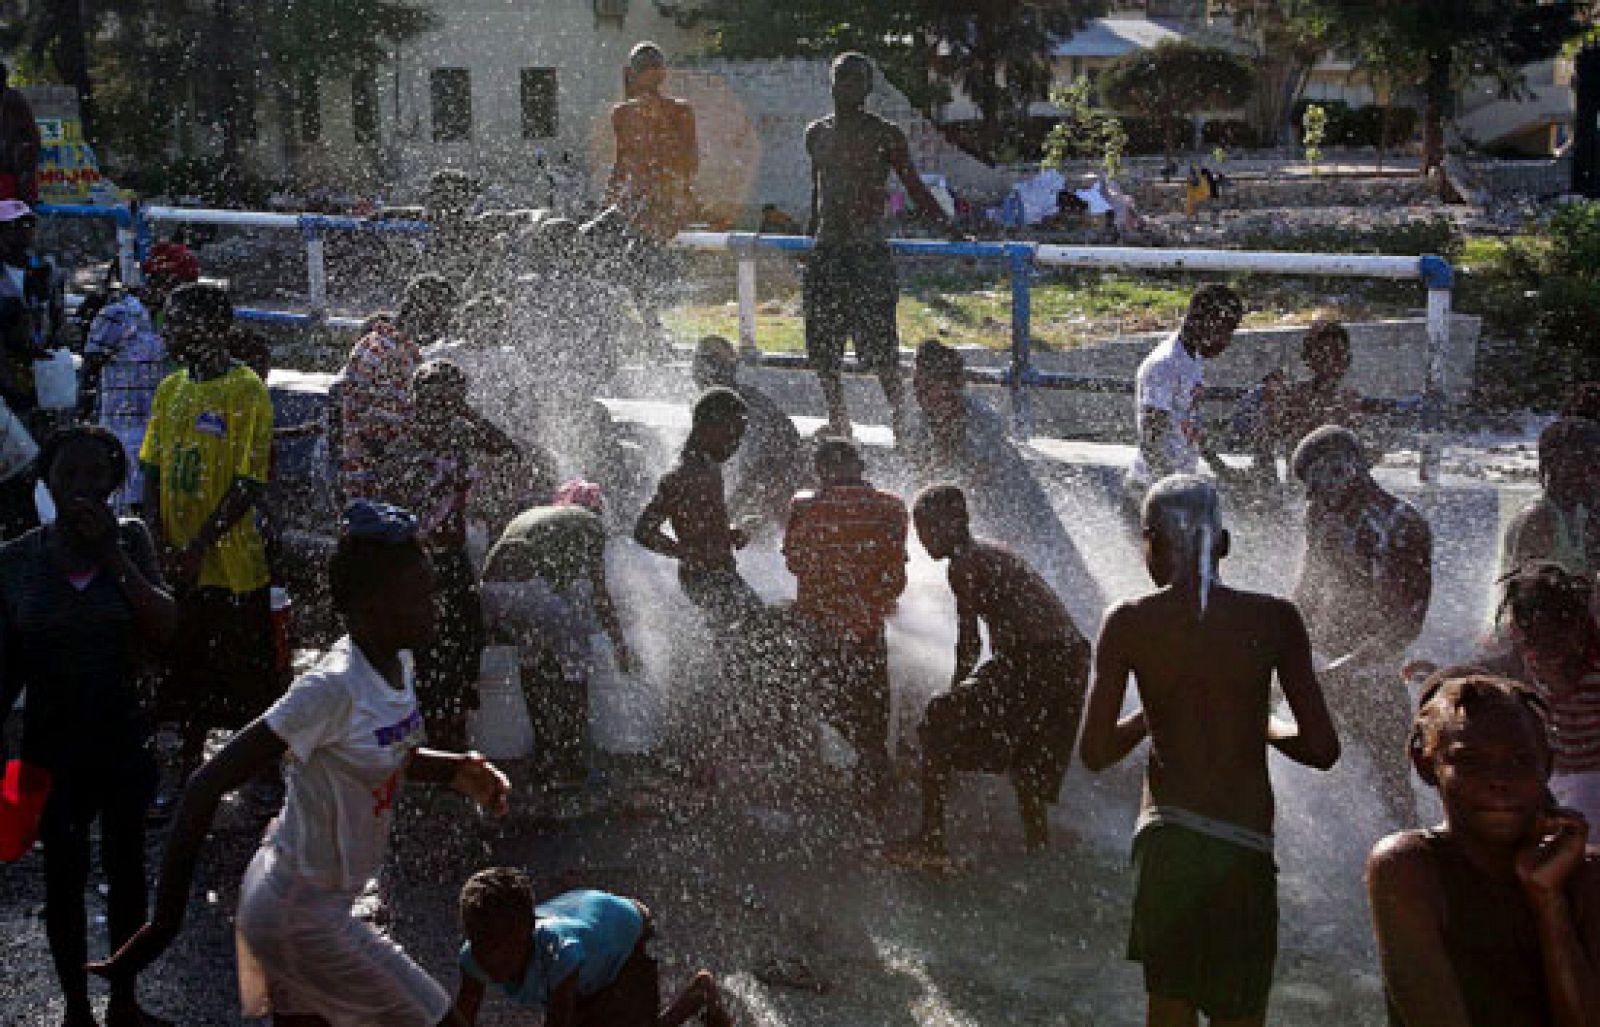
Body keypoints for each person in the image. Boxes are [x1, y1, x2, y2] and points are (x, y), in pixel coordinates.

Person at [90, 501, 512, 1026]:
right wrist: (163, 924)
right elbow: (205, 784)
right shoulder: (329, 687)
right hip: (301, 914)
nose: (436, 604)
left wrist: (454, 769)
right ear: (372, 605)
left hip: (296, 900)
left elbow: (379, 752)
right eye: (419, 593)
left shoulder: (398, 663)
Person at [1080, 475, 1340, 1027]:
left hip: (1167, 842)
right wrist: (1264, 726)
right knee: (1239, 1014)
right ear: (1223, 543)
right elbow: (1321, 749)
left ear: (1150, 541)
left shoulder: (1127, 622)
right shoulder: (1275, 618)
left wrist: (1153, 715)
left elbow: (1096, 752)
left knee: (1168, 1010)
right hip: (1241, 845)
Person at [0, 426, 177, 1027]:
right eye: (67, 477)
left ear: (113, 484)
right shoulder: (18, 560)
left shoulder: (130, 540)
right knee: (62, 879)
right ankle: (76, 1009)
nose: (81, 489)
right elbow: (3, 668)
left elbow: (167, 625)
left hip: (123, 738)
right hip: (49, 746)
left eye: (94, 478)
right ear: (47, 484)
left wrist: (112, 556)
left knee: (128, 873)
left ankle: (124, 1001)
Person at [1366, 668, 1600, 1025]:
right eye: (1469, 761)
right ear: (1427, 765)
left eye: (1521, 761)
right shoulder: (1408, 867)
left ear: (1547, 767)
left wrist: (1548, 901)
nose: (1499, 781)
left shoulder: (1585, 873)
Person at [891, 484, 1090, 865]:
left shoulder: (964, 563)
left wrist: (952, 697)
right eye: (919, 528)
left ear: (959, 522)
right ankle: (1038, 848)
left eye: (930, 527)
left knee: (937, 720)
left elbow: (969, 645)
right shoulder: (992, 552)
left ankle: (931, 839)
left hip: (1039, 658)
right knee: (1027, 762)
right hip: (1072, 659)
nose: (923, 537)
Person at [138, 282, 277, 783]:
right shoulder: (171, 389)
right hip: (178, 561)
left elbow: (248, 482)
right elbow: (151, 467)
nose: (168, 331)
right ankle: (187, 774)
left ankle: (262, 779)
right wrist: (159, 539)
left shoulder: (245, 390)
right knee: (185, 669)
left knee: (248, 675)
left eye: (177, 322)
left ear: (214, 330)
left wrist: (199, 546)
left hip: (232, 565)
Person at [804, 52, 961, 439]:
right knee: (823, 346)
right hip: (827, 251)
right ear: (832, 83)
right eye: (842, 79)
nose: (849, 87)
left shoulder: (885, 134)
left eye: (857, 80)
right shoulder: (817, 133)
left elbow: (915, 188)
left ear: (869, 87)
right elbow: (817, 190)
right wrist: (809, 239)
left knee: (881, 347)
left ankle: (900, 418)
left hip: (868, 252)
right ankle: (838, 416)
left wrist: (950, 228)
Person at [901, 339, 1101, 626]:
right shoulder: (921, 427)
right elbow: (925, 479)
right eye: (917, 384)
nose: (920, 393)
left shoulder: (981, 420)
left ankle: (1093, 628)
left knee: (1063, 581)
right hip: (984, 524)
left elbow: (977, 477)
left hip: (1024, 513)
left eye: (929, 385)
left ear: (954, 386)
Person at [1292, 425, 1432, 827]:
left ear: (1349, 468)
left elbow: (1408, 622)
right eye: (1310, 486)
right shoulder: (1319, 512)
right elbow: (1308, 590)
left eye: (1321, 479)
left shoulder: (1403, 524)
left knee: (1392, 781)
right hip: (1323, 659)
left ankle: (1410, 858)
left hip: (1377, 673)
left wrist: (1348, 667)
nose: (1315, 493)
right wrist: (1281, 641)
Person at [482, 483, 638, 782]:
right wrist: (619, 643)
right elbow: (600, 593)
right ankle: (572, 759)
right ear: (595, 508)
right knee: (577, 664)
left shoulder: (540, 518)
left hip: (491, 592)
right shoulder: (590, 525)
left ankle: (544, 751)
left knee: (534, 659)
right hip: (530, 591)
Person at [783, 437, 908, 807]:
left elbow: (794, 563)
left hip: (818, 622)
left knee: (820, 696)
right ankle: (876, 778)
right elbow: (896, 575)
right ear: (861, 466)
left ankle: (848, 767)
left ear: (821, 472)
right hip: (869, 626)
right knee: (874, 706)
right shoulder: (892, 507)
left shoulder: (803, 507)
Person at [452, 867, 732, 1026]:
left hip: (624, 939)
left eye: (501, 946)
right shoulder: (474, 959)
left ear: (527, 931)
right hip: (588, 940)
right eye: (480, 944)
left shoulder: (559, 952)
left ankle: (699, 994)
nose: (489, 958)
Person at [80, 241, 199, 514]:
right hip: (122, 434)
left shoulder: (174, 323)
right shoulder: (118, 316)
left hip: (161, 437)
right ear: (162, 281)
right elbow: (90, 370)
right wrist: (84, 427)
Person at [634, 387, 758, 627]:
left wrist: (729, 532)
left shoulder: (709, 466)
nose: (736, 445)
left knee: (746, 629)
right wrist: (685, 553)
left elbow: (704, 518)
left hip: (721, 572)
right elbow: (643, 531)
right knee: (748, 629)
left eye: (740, 438)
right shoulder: (680, 475)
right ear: (706, 429)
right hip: (702, 578)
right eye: (732, 435)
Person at [337, 274, 457, 505]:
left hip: (363, 484)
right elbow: (382, 434)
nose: (443, 331)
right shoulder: (394, 357)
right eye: (442, 319)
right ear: (423, 312)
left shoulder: (374, 343)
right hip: (380, 491)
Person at [1496, 562, 1600, 826]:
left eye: (1556, 643)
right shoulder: (1523, 657)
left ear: (1579, 628)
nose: (1547, 658)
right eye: (1534, 645)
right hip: (1551, 778)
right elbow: (1493, 668)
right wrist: (1448, 673)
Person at [1128, 284, 1245, 489]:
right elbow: (1150, 443)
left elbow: (1190, 427)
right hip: (1150, 488)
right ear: (1202, 322)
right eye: (1224, 331)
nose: (1227, 342)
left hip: (1177, 484)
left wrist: (1221, 469)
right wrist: (1170, 489)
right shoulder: (1164, 365)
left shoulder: (1193, 359)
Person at [1236, 318, 1364, 492]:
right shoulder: (1295, 398)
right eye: (1323, 354)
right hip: (1299, 494)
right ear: (1308, 359)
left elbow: (1364, 458)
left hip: (1342, 496)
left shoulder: (1351, 402)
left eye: (1337, 354)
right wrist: (1270, 489)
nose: (1330, 362)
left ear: (1347, 359)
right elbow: (1264, 443)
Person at [691, 335, 803, 533]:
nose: (695, 372)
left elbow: (759, 470)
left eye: (701, 362)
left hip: (782, 481)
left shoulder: (736, 408)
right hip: (771, 482)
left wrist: (723, 517)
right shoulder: (723, 402)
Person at [605, 42, 699, 245]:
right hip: (659, 203)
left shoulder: (622, 113)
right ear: (663, 73)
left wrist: (609, 201)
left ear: (632, 73)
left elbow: (621, 165)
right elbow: (690, 162)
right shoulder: (681, 110)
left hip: (640, 202)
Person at [1499, 417, 1600, 591]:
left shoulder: (1582, 513)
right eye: (1590, 464)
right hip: (1544, 612)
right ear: (1559, 466)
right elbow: (1520, 601)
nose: (1594, 474)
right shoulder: (1538, 519)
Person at [0, 199, 64, 422]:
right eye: (16, 225)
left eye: (29, 225)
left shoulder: (43, 272)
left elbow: (55, 320)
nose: (25, 232)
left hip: (40, 382)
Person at [0, 63, 40, 203]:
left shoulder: (9, 100)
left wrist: (25, 190)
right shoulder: (10, 97)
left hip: (13, 175)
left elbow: (13, 142)